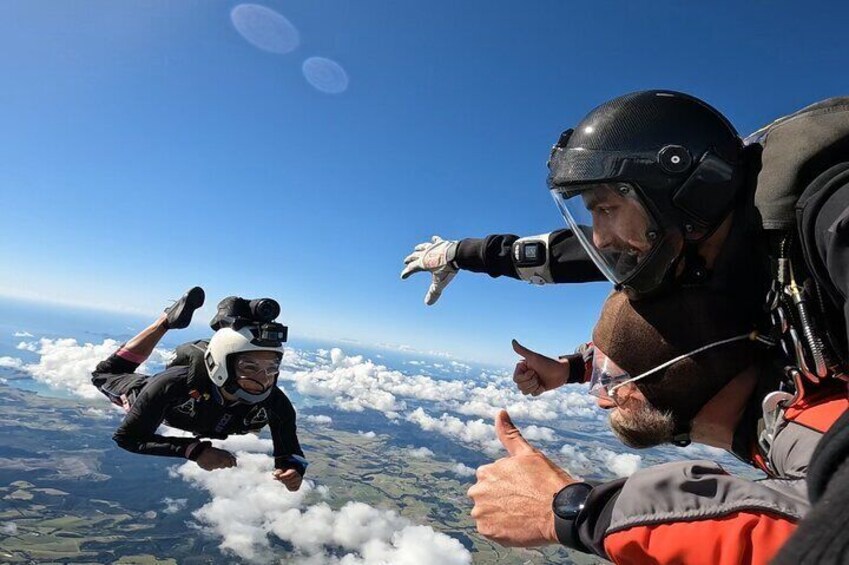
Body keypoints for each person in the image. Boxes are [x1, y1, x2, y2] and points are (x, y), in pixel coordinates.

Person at [468, 289, 848, 564]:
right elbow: (650, 350)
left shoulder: (819, 423)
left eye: (608, 380)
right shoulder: (779, 408)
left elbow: (818, 534)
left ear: (671, 377)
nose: (599, 397)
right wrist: (571, 370)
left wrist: (574, 510)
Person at [90, 287, 307, 491]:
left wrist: (294, 470)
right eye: (249, 366)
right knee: (105, 374)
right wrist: (194, 451)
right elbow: (127, 438)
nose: (264, 377)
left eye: (272, 367)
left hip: (198, 414)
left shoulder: (275, 402)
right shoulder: (172, 385)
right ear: (222, 364)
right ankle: (166, 322)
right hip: (159, 396)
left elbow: (290, 452)